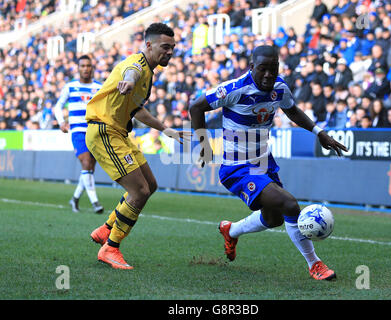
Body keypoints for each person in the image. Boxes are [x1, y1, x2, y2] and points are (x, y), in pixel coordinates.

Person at [189, 45, 347, 281]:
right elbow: (196, 107)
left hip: (263, 163)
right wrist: (203, 145)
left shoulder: (280, 87)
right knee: (290, 204)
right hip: (237, 167)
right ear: (252, 67)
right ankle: (315, 264)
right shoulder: (235, 89)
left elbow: (292, 111)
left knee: (273, 219)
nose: (268, 75)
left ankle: (230, 230)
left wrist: (319, 132)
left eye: (273, 69)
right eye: (262, 69)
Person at [85, 23, 190, 270]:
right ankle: (110, 248)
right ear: (149, 45)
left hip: (119, 132)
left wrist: (167, 130)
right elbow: (129, 73)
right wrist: (129, 82)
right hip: (104, 130)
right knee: (139, 191)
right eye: (165, 47)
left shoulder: (149, 74)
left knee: (150, 185)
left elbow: (137, 110)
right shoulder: (136, 66)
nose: (169, 52)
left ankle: (106, 229)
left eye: (173, 48)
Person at [54, 55, 104, 214]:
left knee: (89, 168)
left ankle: (74, 199)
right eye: (82, 65)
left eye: (88, 65)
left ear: (92, 68)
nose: (85, 68)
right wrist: (61, 121)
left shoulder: (99, 87)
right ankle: (95, 203)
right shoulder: (70, 87)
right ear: (78, 68)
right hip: (78, 131)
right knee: (86, 162)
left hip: (95, 131)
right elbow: (58, 106)